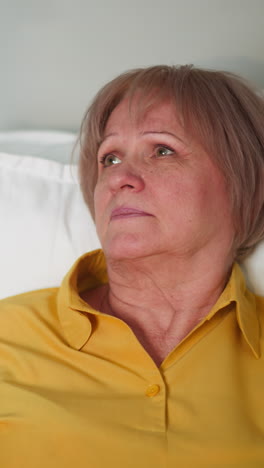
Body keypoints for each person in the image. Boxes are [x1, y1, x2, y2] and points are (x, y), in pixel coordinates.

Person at [1, 65, 264, 467]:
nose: (119, 177)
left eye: (162, 150)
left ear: (243, 180)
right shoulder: (8, 335)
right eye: (109, 158)